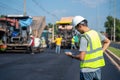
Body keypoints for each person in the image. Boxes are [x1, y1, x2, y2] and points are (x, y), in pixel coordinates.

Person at [65, 16, 110, 80]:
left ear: (80, 26)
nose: (77, 30)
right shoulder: (95, 33)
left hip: (87, 71)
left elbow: (81, 57)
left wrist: (71, 55)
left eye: (76, 28)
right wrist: (101, 51)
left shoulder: (84, 37)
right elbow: (107, 41)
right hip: (97, 69)